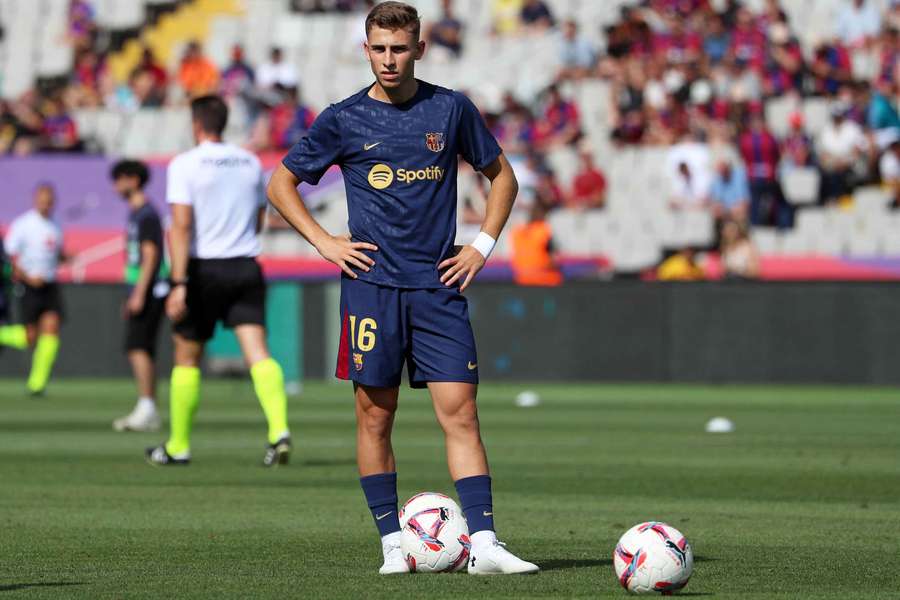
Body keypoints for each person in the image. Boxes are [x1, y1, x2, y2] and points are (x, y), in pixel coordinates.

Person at [267, 1, 538, 576]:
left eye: (399, 48)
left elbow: (503, 178)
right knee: (374, 416)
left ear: (419, 48)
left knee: (461, 413)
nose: (389, 59)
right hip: (371, 287)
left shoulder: (450, 108)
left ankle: (485, 543)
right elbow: (280, 183)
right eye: (379, 49)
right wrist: (325, 242)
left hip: (437, 285)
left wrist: (481, 246)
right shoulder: (343, 118)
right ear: (366, 51)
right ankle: (393, 543)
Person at [145, 95, 291, 467]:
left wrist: (177, 282)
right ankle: (278, 431)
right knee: (257, 351)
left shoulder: (185, 164)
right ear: (223, 123)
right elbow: (259, 218)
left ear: (196, 124)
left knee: (186, 355)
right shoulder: (249, 161)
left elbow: (179, 227)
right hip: (244, 264)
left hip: (202, 269)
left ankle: (178, 445)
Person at [110, 160, 169, 433]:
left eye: (119, 179)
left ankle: (147, 408)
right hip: (143, 288)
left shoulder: (146, 214)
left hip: (150, 289)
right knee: (141, 348)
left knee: (138, 347)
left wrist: (139, 293)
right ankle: (148, 407)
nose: (115, 185)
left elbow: (151, 255)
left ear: (133, 180)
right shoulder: (137, 213)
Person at [3, 183, 65, 395]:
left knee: (52, 328)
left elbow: (55, 253)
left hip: (49, 285)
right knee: (30, 337)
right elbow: (9, 257)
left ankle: (37, 384)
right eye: (42, 200)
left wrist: (66, 257)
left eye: (49, 201)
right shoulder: (23, 224)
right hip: (28, 286)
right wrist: (28, 277)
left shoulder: (56, 224)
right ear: (35, 200)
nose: (46, 205)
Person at [510, 202, 562, 286]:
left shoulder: (517, 231)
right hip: (543, 277)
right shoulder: (543, 230)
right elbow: (554, 259)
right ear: (543, 215)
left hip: (521, 278)